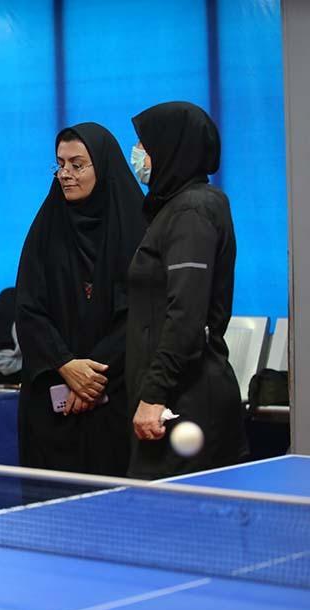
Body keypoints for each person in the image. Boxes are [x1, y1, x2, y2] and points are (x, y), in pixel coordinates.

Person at [15, 123, 147, 476]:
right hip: (53, 399)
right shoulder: (47, 228)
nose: (65, 174)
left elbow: (141, 313)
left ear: (102, 167)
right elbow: (28, 308)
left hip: (115, 394)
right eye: (60, 164)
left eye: (77, 165)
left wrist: (91, 376)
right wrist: (66, 365)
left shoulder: (136, 227)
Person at [126, 101, 247, 478]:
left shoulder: (192, 211)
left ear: (171, 147)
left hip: (186, 401)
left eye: (145, 145)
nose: (138, 153)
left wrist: (154, 394)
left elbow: (186, 316)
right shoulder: (175, 208)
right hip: (173, 396)